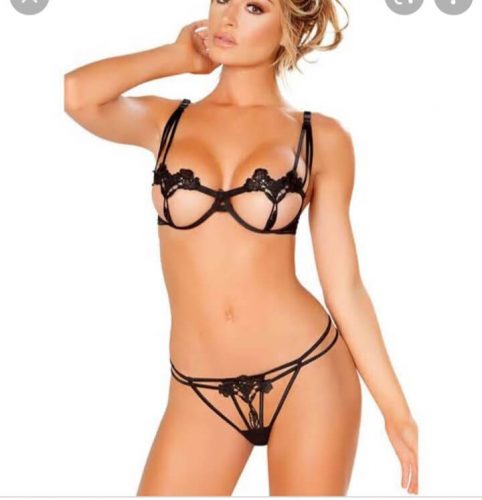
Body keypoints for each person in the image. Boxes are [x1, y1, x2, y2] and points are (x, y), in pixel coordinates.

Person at [64, 0, 418, 495]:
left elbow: (345, 287)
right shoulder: (166, 121)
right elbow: (76, 94)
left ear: (288, 28)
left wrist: (396, 411)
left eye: (253, 7)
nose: (227, 18)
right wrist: (176, 57)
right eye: (221, 0)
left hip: (307, 373)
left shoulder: (321, 137)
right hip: (197, 390)